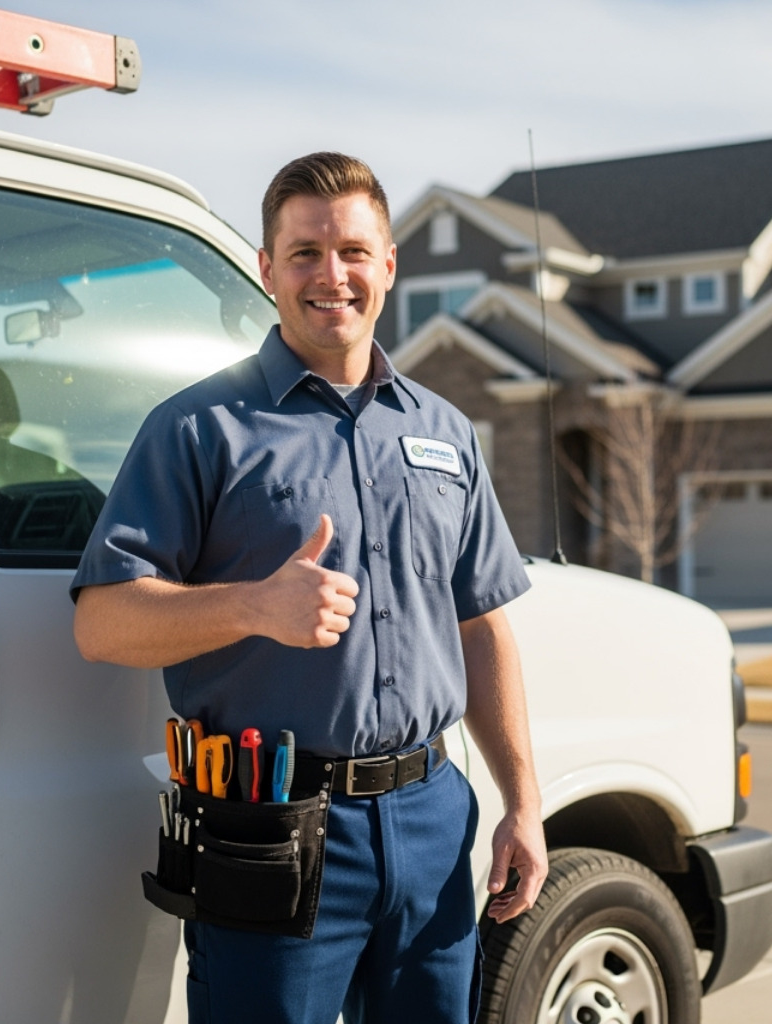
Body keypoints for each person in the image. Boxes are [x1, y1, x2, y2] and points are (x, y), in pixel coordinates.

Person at [70, 152, 547, 1024]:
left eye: (354, 251)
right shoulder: (198, 429)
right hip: (272, 825)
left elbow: (480, 624)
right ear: (267, 269)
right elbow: (102, 623)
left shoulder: (445, 432)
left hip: (433, 817)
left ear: (388, 265)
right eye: (305, 254)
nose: (332, 275)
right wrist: (254, 606)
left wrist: (524, 803)